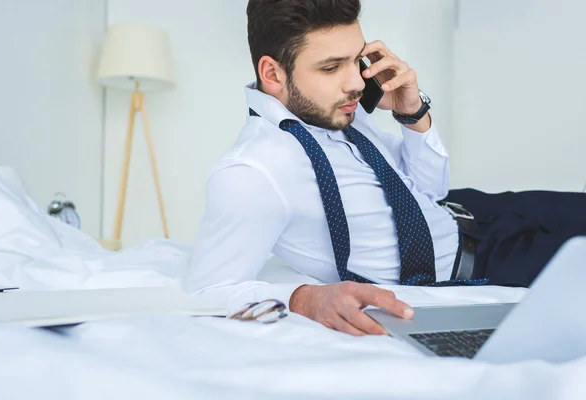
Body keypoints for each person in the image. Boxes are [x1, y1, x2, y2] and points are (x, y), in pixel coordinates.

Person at [184, 0, 586, 336]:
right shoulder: (252, 171)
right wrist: (304, 297)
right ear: (273, 74)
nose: (356, 83)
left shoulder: (340, 110)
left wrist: (412, 114)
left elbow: (429, 189)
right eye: (330, 67)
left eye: (355, 60)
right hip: (476, 264)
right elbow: (209, 288)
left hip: (478, 210)